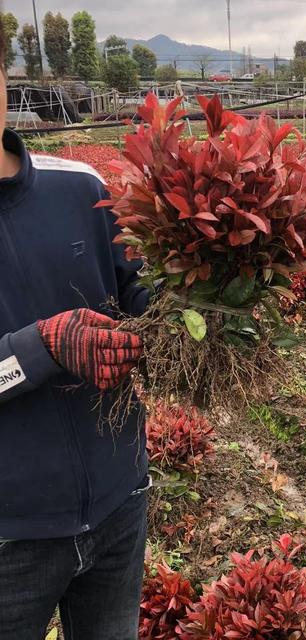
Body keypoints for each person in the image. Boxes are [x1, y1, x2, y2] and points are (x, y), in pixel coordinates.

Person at [0, 32, 149, 640]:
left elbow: (141, 292)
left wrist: (214, 284)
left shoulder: (80, 188)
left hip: (119, 503)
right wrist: (42, 347)